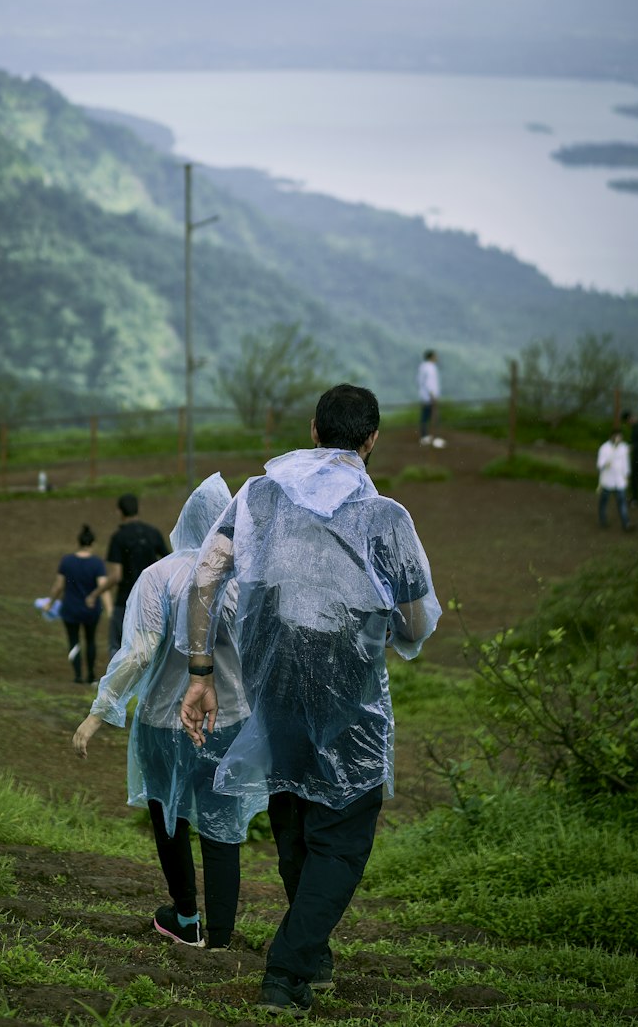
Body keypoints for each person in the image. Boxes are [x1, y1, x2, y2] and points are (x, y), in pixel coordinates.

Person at [179, 383, 441, 1017]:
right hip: (346, 697)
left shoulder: (259, 495)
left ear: (314, 430)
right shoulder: (386, 518)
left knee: (295, 817)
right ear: (372, 439)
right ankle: (287, 968)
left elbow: (205, 578)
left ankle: (311, 956)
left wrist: (201, 670)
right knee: (344, 836)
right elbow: (415, 622)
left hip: (274, 688)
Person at [73, 474, 260, 950]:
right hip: (228, 721)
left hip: (163, 721)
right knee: (222, 826)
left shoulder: (158, 576)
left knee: (169, 818)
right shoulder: (244, 579)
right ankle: (219, 938)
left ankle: (185, 918)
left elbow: (137, 652)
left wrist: (99, 712)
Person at [104, 493, 170, 660]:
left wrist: (96, 593)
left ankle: (117, 684)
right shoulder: (153, 533)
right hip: (151, 600)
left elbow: (116, 576)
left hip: (125, 599)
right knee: (148, 645)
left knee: (118, 645)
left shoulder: (118, 538)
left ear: (119, 512)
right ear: (138, 509)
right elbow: (169, 562)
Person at [46, 525, 107, 685]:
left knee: (74, 641)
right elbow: (103, 585)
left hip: (70, 609)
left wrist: (49, 603)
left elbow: (58, 586)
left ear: (78, 543)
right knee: (91, 640)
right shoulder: (97, 563)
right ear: (92, 544)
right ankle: (91, 674)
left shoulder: (67, 561)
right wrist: (108, 607)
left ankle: (78, 675)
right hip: (91, 610)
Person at [596, 426, 631, 532]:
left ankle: (626, 523)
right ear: (611, 437)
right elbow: (600, 464)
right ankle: (603, 520)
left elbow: (626, 463)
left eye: (620, 437)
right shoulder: (604, 448)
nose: (618, 439)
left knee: (622, 502)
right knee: (604, 501)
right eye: (616, 437)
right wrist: (606, 463)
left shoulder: (624, 448)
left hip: (619, 480)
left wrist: (626, 475)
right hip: (607, 480)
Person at [417, 349, 443, 447]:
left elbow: (420, 381)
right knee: (432, 416)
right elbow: (430, 383)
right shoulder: (431, 368)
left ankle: (425, 436)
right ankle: (432, 437)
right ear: (431, 357)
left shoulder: (422, 366)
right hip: (430, 395)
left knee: (425, 416)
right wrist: (432, 395)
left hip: (424, 395)